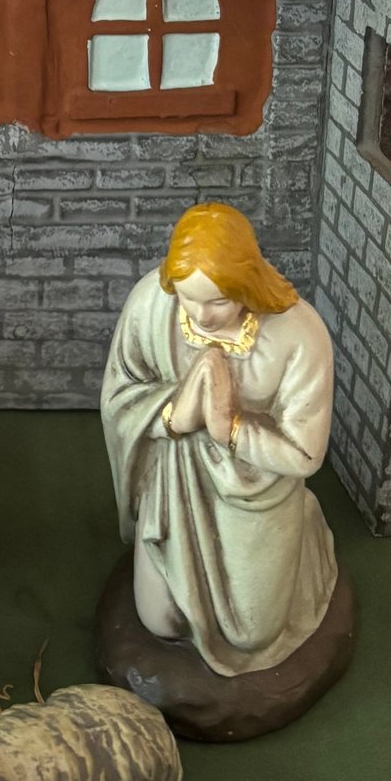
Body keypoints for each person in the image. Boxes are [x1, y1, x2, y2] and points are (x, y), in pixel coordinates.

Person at [100, 201, 337, 676]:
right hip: (174, 476)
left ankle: (302, 535)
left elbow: (306, 451)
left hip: (255, 490)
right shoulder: (152, 304)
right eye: (189, 299)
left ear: (246, 286)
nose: (202, 316)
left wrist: (230, 428)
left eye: (219, 301)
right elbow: (119, 395)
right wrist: (174, 415)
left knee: (252, 635)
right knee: (161, 621)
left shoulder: (298, 333)